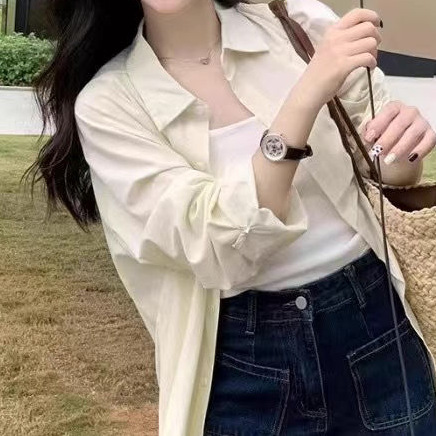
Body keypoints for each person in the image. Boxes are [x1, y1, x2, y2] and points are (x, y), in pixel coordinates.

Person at [24, 0, 436, 434]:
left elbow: (384, 167)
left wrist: (402, 142)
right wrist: (306, 94)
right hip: (243, 362)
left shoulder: (297, 22)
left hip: (374, 325)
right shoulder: (110, 102)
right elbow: (216, 244)